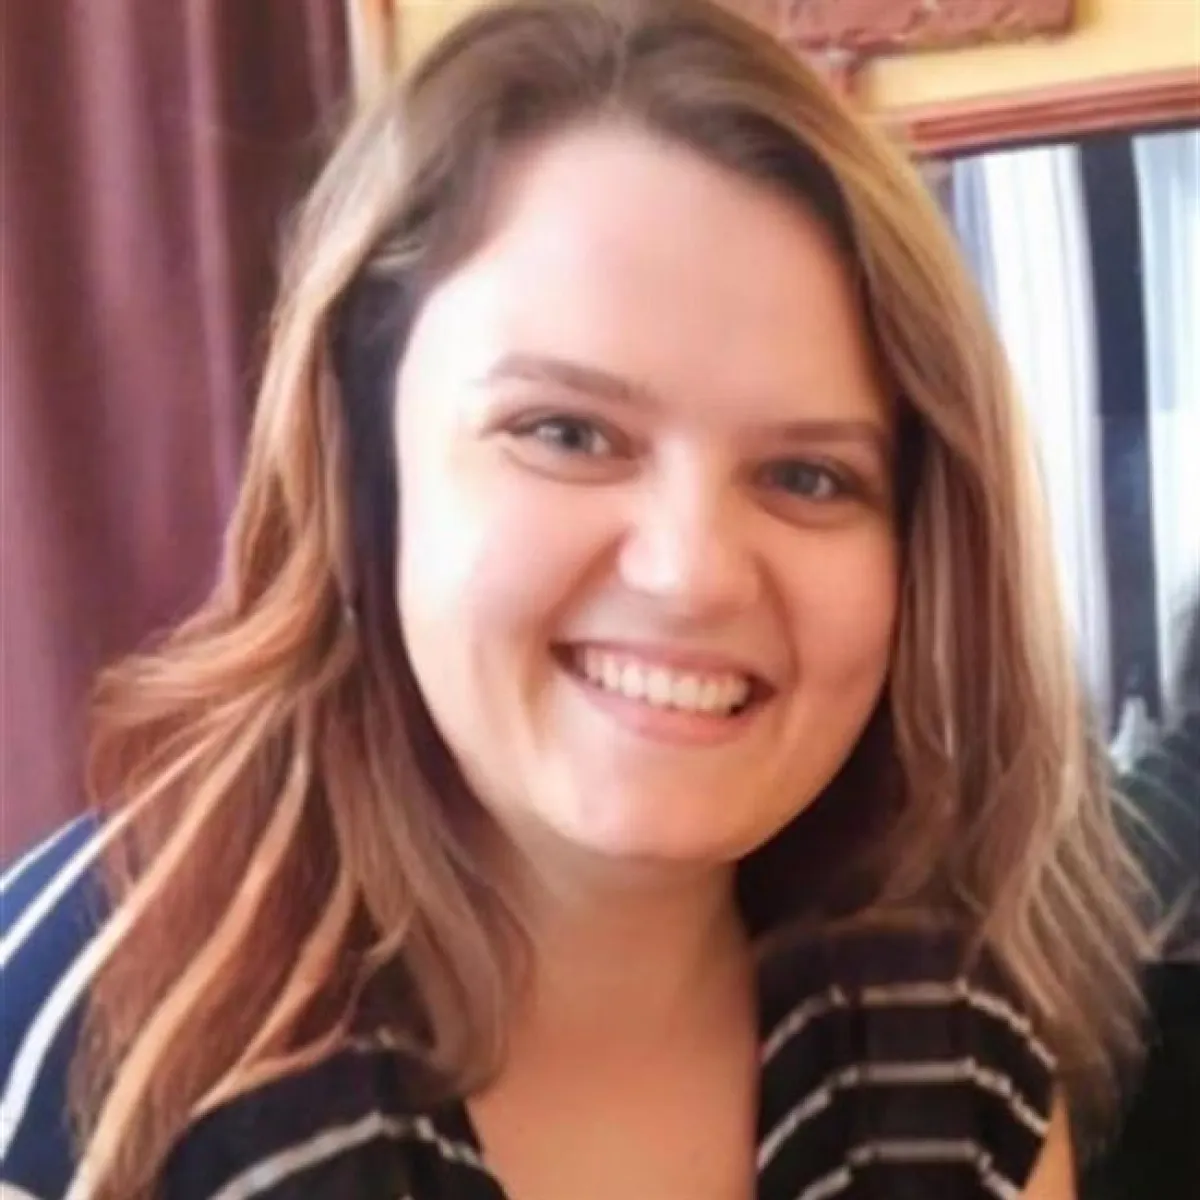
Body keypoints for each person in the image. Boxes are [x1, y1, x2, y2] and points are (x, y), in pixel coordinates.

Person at [0, 1, 1150, 1197]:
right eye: (566, 432)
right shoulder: (90, 1054)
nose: (692, 573)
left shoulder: (955, 1055)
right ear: (364, 467)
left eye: (810, 477)